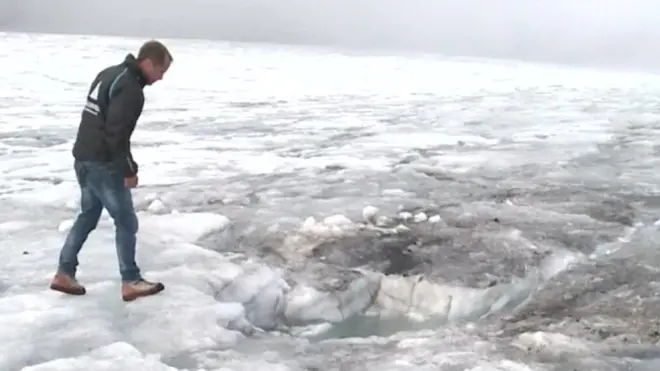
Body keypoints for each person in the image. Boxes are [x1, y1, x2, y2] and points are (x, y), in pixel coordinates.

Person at [50, 40, 173, 302]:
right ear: (147, 62)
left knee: (88, 216)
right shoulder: (130, 88)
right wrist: (128, 169)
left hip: (83, 158)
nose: (161, 78)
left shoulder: (108, 74)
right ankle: (131, 280)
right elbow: (116, 134)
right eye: (161, 71)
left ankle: (64, 272)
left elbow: (97, 121)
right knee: (127, 221)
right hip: (103, 164)